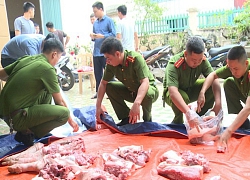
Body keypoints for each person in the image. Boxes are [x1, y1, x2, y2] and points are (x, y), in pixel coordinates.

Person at [0, 38, 79, 146]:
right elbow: (59, 102)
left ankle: (27, 127)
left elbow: (1, 74)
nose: (57, 61)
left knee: (47, 90)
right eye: (59, 57)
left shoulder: (26, 59)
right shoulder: (47, 69)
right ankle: (28, 133)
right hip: (15, 118)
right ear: (54, 54)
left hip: (5, 113)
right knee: (64, 114)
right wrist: (71, 120)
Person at [96, 37, 159, 126]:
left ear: (117, 54)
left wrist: (136, 104)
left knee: (147, 94)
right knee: (109, 87)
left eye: (108, 58)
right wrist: (98, 106)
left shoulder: (135, 59)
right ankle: (126, 118)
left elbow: (145, 82)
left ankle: (148, 121)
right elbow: (103, 83)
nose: (107, 61)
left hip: (149, 91)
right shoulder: (111, 64)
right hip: (131, 92)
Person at [197, 46, 250, 148]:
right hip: (247, 95)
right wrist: (202, 92)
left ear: (246, 63)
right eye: (230, 68)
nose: (233, 72)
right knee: (228, 83)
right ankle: (243, 123)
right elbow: (212, 75)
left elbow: (248, 108)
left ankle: (239, 122)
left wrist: (229, 131)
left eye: (236, 69)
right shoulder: (233, 67)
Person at [162, 36, 221, 128]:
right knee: (183, 98)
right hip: (172, 93)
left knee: (210, 85)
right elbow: (173, 92)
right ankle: (179, 121)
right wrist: (189, 114)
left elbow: (214, 78)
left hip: (190, 88)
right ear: (186, 54)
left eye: (200, 60)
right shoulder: (174, 64)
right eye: (194, 60)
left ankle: (201, 119)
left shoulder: (202, 60)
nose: (197, 63)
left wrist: (217, 102)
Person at [90, 1, 116, 99]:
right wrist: (93, 37)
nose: (95, 14)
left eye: (96, 11)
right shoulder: (95, 23)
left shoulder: (109, 21)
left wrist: (103, 36)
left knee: (109, 73)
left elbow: (113, 35)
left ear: (101, 9)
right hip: (96, 52)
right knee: (97, 74)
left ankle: (113, 92)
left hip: (106, 53)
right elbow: (94, 36)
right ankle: (98, 92)